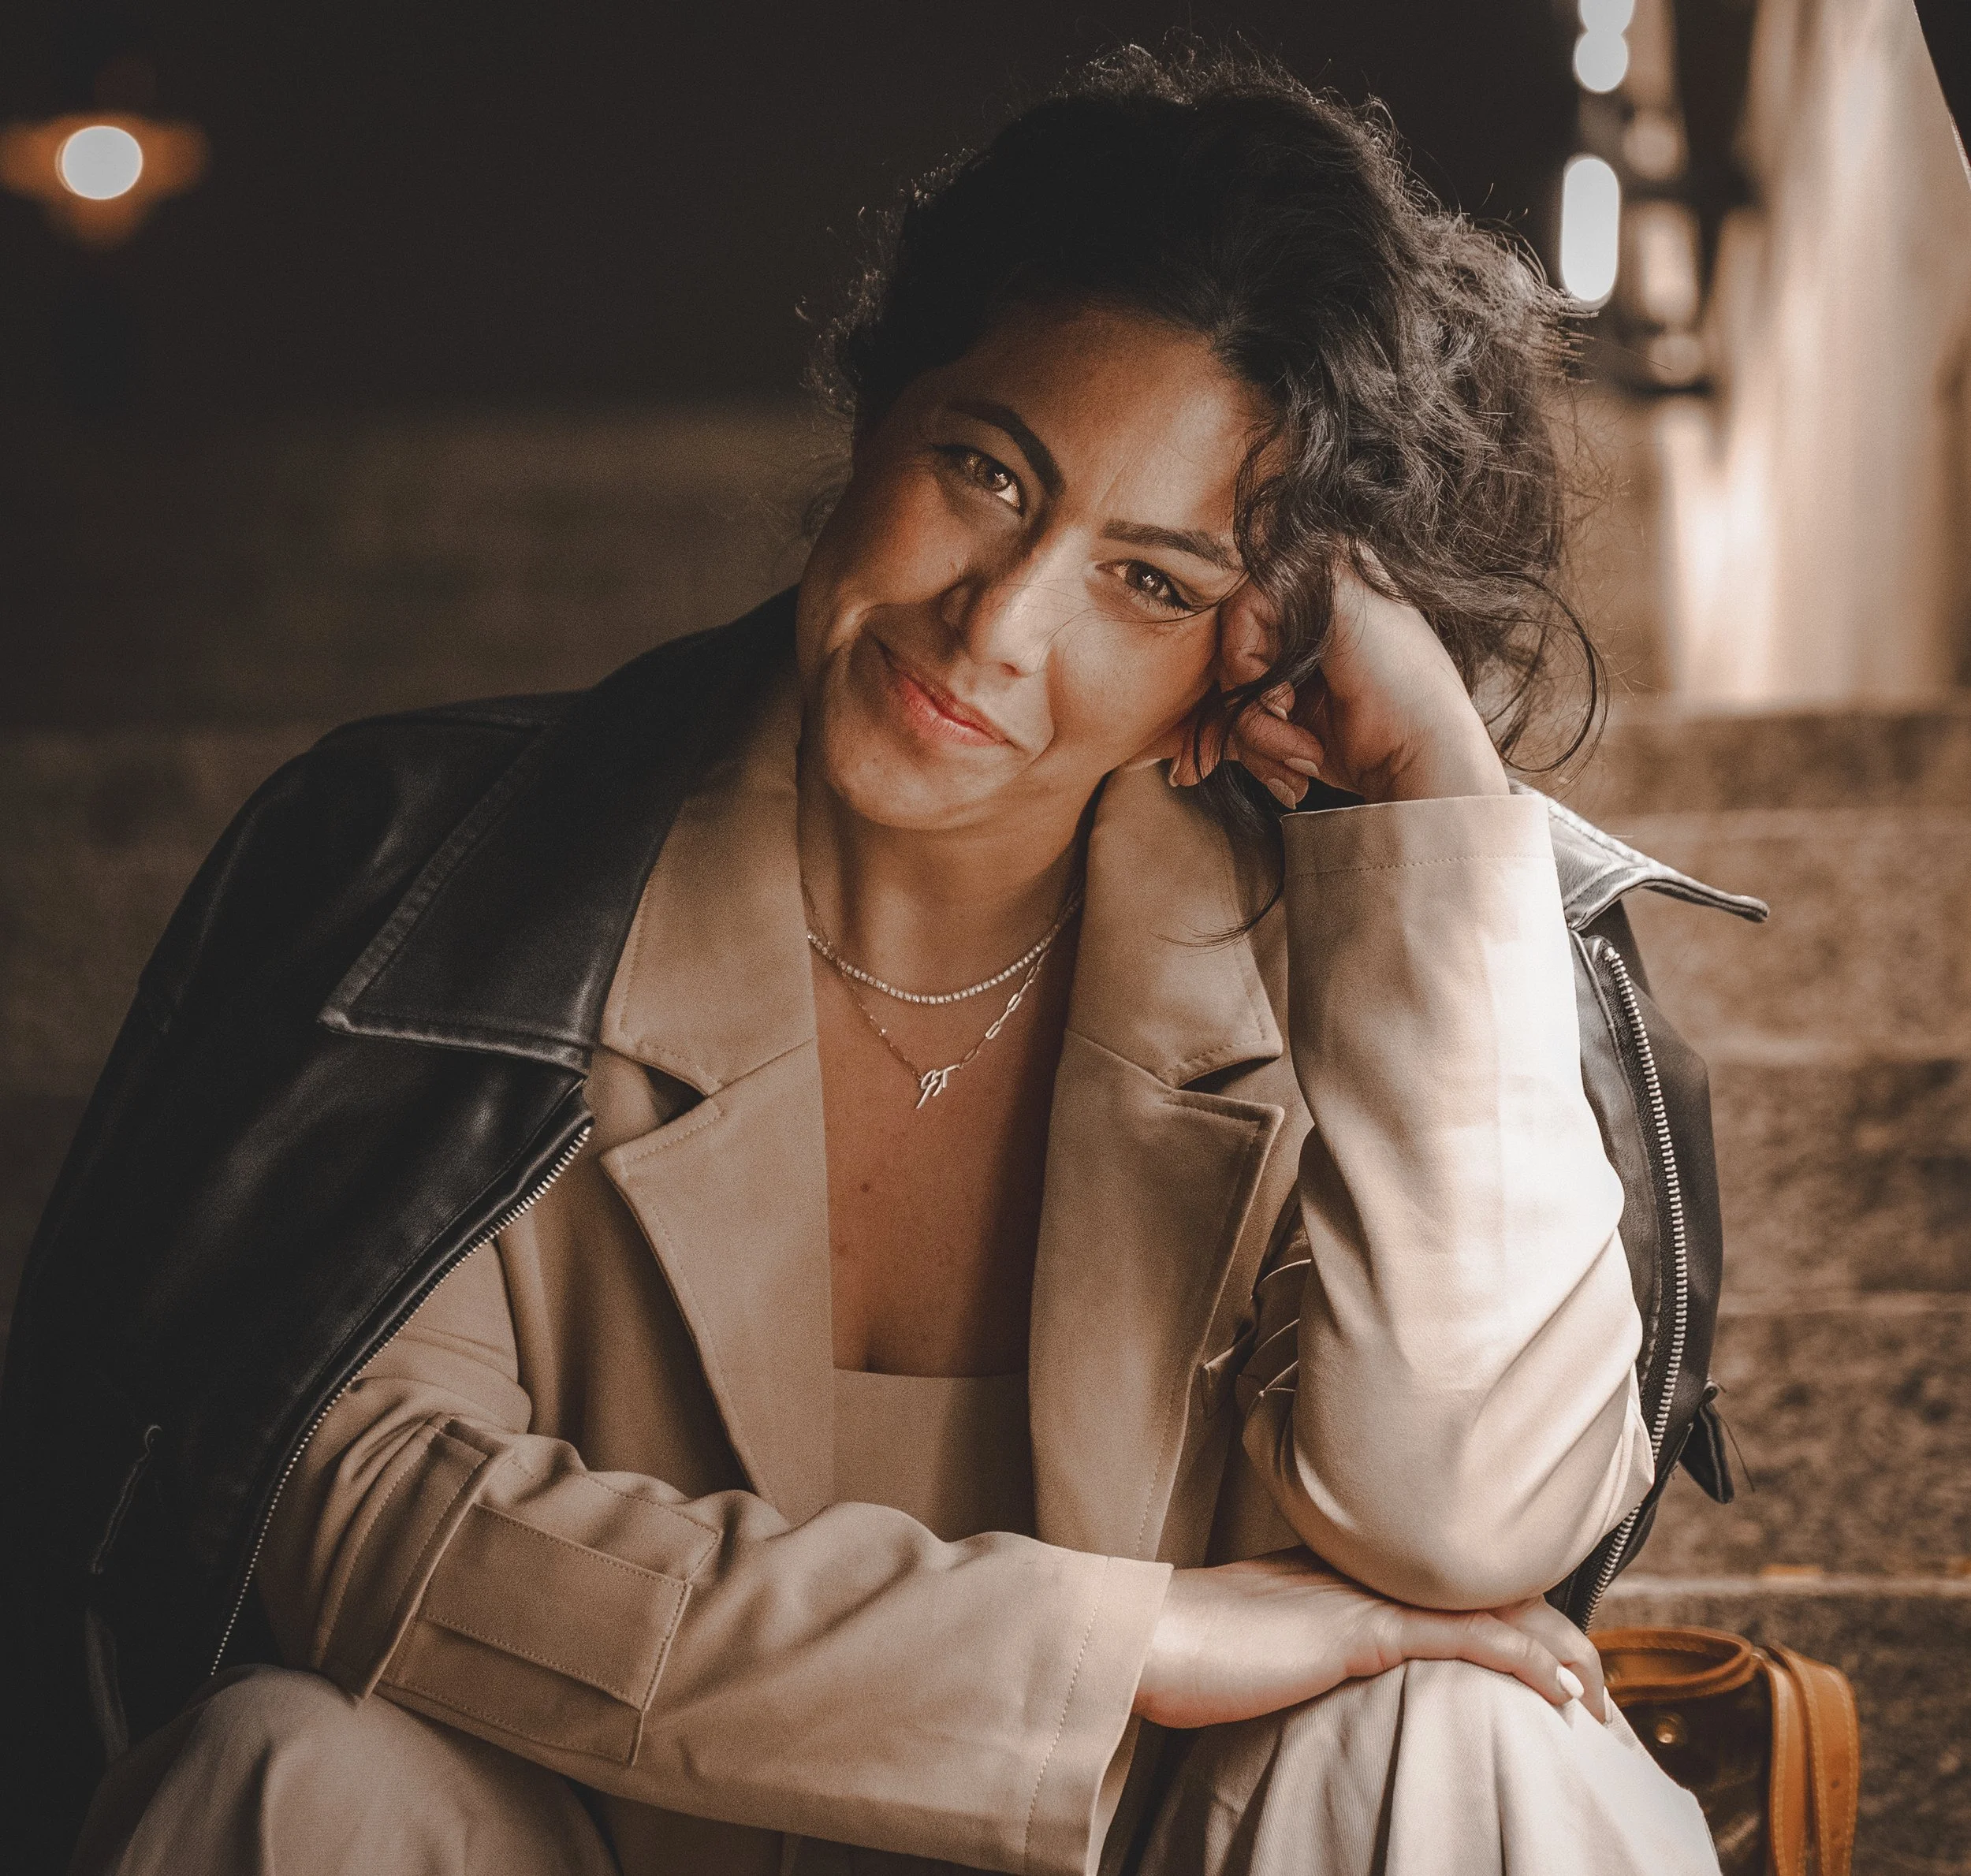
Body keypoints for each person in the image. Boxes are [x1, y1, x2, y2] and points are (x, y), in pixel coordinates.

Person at [59, 45, 1720, 1876]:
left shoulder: (1315, 962)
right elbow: (345, 1505)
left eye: (1150, 583)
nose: (998, 624)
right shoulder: (447, 877)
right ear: (874, 411)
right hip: (578, 1841)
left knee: (1465, 1730)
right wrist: (1128, 1642)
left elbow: (1465, 1527)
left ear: (1244, 662)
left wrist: (1429, 796)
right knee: (287, 1770)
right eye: (987, 471)